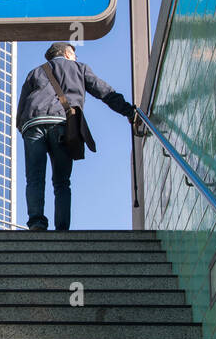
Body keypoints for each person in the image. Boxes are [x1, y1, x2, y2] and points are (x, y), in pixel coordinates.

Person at [14, 42, 144, 231]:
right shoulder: (79, 68)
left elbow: (21, 105)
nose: (75, 57)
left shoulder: (35, 72)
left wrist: (23, 127)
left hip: (33, 124)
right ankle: (62, 229)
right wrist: (128, 112)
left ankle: (36, 223)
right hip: (62, 124)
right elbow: (104, 92)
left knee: (34, 178)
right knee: (61, 181)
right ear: (67, 54)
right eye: (74, 54)